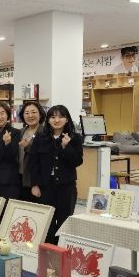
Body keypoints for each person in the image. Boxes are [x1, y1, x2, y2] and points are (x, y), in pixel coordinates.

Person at [29, 105, 84, 245]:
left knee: (65, 221)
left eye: (60, 117)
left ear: (67, 119)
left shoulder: (74, 138)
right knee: (47, 220)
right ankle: (48, 249)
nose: (57, 120)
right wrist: (34, 185)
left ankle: (61, 250)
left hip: (66, 186)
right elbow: (33, 163)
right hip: (46, 186)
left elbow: (77, 161)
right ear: (48, 120)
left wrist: (66, 147)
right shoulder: (40, 137)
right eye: (53, 117)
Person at [18, 101, 46, 202]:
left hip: (36, 180)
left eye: (34, 112)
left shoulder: (45, 132)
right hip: (21, 177)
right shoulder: (21, 131)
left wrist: (36, 184)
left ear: (40, 114)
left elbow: (43, 158)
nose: (30, 115)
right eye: (27, 113)